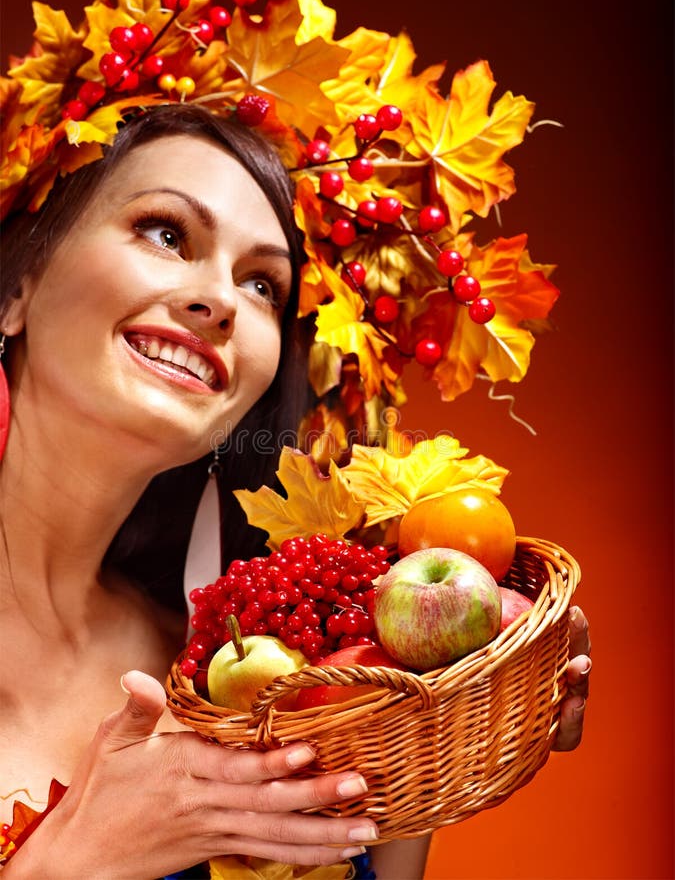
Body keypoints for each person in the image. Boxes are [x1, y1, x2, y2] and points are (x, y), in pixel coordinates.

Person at [0, 101, 590, 880]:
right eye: (166, 233)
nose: (219, 301)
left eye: (262, 285)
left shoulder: (262, 682)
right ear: (16, 289)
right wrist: (72, 864)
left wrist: (422, 722)